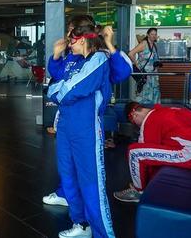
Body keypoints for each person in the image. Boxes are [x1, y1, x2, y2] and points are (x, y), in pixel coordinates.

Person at [43, 15, 132, 207]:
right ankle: (67, 196)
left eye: (71, 30)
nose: (67, 35)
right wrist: (56, 56)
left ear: (82, 35)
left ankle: (89, 213)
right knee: (66, 165)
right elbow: (57, 76)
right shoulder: (72, 55)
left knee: (87, 171)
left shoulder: (101, 57)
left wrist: (109, 44)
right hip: (67, 117)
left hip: (87, 120)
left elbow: (123, 72)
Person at [47, 26, 115, 238]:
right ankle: (81, 224)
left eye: (72, 40)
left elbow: (71, 89)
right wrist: (59, 85)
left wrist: (59, 90)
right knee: (67, 176)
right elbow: (52, 84)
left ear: (84, 40)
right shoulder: (72, 61)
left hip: (86, 128)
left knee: (91, 182)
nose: (69, 43)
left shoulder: (99, 59)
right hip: (66, 126)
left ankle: (103, 234)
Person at [113, 102, 191, 202]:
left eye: (134, 123)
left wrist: (147, 182)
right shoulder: (165, 110)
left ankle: (138, 191)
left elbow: (147, 161)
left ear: (134, 115)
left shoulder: (149, 121)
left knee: (134, 152)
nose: (137, 126)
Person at [128, 28, 161, 104]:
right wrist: (136, 63)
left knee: (154, 95)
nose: (154, 36)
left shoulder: (154, 45)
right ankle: (143, 113)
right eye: (152, 34)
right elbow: (130, 54)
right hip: (144, 75)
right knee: (144, 95)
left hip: (153, 76)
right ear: (148, 35)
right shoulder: (144, 44)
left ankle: (153, 113)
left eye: (155, 34)